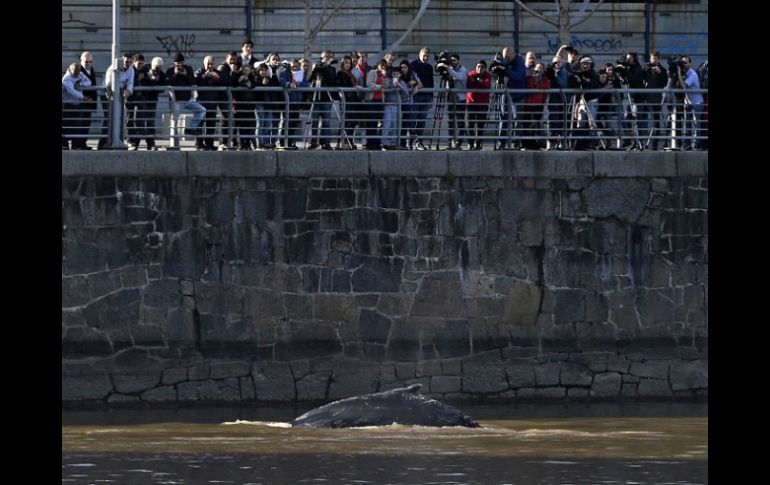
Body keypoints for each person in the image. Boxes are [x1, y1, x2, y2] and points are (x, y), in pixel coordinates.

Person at [165, 53, 206, 147]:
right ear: (174, 63)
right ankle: (175, 144)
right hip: (176, 100)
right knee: (174, 121)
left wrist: (185, 74)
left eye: (181, 63)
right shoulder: (170, 71)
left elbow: (193, 81)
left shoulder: (188, 69)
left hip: (188, 99)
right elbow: (167, 83)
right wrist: (175, 74)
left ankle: (190, 128)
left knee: (201, 110)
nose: (179, 65)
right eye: (177, 63)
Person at [62, 62, 92, 150]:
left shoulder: (80, 74)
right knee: (66, 125)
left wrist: (81, 84)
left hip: (77, 104)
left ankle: (75, 145)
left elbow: (89, 82)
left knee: (77, 125)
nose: (77, 72)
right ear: (70, 69)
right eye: (75, 70)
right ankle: (64, 145)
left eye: (79, 70)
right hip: (67, 105)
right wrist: (83, 98)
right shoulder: (66, 79)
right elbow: (72, 91)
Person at [409, 47, 434, 150]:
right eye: (424, 55)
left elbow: (431, 82)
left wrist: (431, 97)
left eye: (427, 56)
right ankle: (410, 141)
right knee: (412, 119)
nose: (425, 57)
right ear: (419, 54)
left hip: (426, 96)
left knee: (421, 120)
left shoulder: (429, 67)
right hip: (415, 96)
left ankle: (420, 142)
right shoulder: (413, 65)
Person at [676, 55, 703, 150]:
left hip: (697, 103)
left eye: (686, 62)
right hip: (688, 102)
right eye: (683, 62)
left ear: (690, 63)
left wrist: (678, 74)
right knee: (686, 123)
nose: (684, 64)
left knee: (696, 124)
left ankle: (696, 144)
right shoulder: (685, 73)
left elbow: (683, 85)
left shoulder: (692, 74)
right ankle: (686, 144)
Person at [74, 51, 98, 149]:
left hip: (90, 102)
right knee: (79, 123)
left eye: (90, 62)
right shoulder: (78, 70)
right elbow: (76, 85)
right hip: (81, 102)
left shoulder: (91, 70)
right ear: (81, 61)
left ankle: (83, 143)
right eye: (86, 61)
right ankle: (77, 144)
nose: (88, 64)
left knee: (86, 123)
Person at [465, 59, 491, 150]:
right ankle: (470, 143)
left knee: (480, 125)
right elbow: (469, 84)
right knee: (469, 125)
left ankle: (478, 144)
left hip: (483, 103)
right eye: (478, 67)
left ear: (485, 68)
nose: (480, 69)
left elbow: (486, 85)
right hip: (471, 102)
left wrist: (478, 81)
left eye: (482, 67)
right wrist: (477, 81)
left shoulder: (487, 75)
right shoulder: (471, 74)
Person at [445, 53, 468, 149]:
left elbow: (459, 77)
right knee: (451, 121)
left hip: (461, 99)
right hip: (451, 98)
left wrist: (448, 69)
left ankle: (459, 141)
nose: (453, 62)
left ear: (458, 61)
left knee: (460, 122)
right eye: (451, 61)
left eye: (454, 60)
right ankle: (451, 141)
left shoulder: (463, 70)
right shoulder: (450, 70)